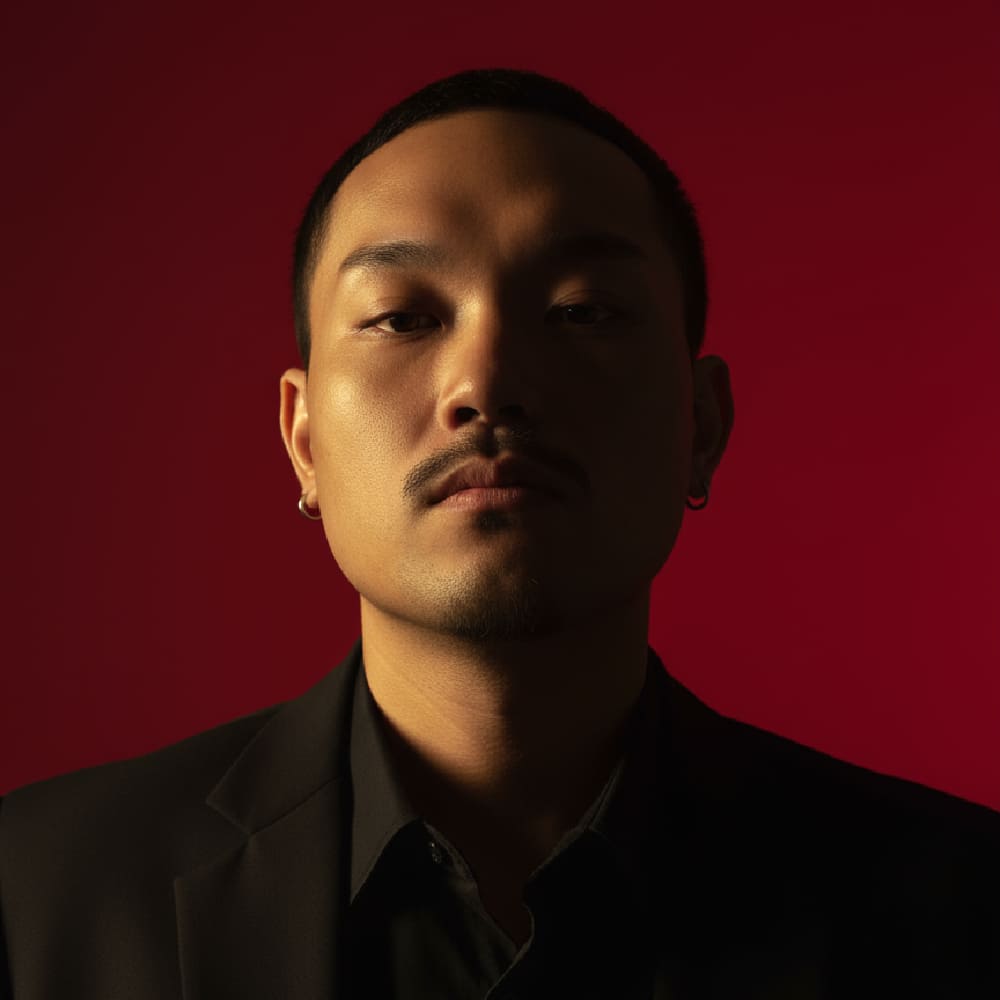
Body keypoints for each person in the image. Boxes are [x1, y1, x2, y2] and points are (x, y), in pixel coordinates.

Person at [1, 67, 997, 999]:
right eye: (402, 318)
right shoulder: (31, 894)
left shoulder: (963, 908)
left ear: (701, 426)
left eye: (582, 311)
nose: (486, 384)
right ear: (303, 441)